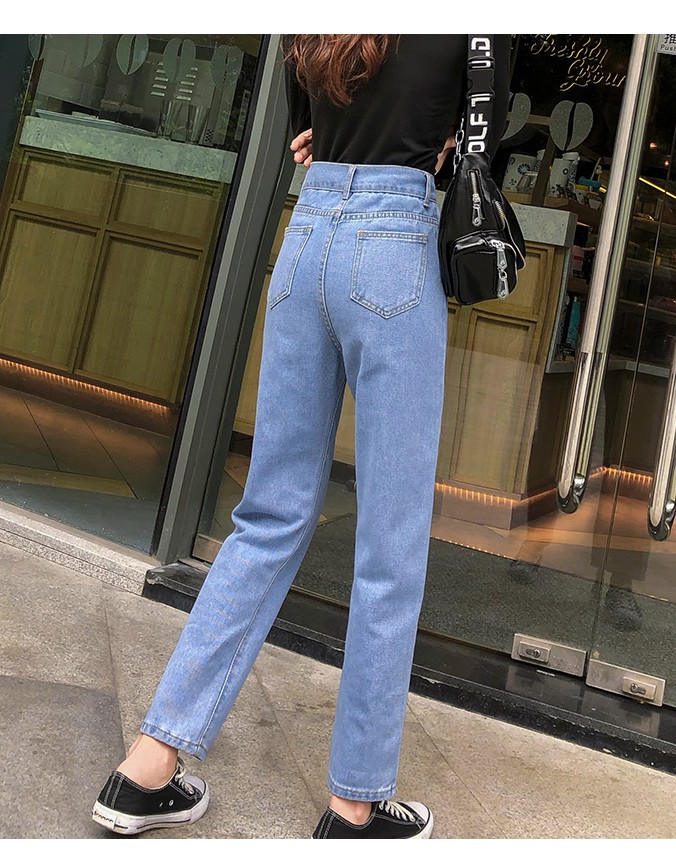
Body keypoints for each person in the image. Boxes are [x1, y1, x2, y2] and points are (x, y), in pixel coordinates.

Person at [91, 34, 511, 840]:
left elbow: (305, 136)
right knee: (389, 543)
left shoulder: (312, 27)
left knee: (268, 515)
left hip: (308, 235)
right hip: (393, 244)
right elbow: (481, 141)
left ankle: (146, 765)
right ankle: (355, 804)